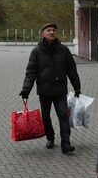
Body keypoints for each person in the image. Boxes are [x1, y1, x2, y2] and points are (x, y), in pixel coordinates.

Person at [19, 23, 81, 152]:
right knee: (46, 117)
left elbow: (71, 70)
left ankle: (66, 143)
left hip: (60, 90)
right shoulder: (37, 51)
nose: (51, 32)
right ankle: (50, 138)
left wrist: (77, 87)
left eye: (53, 30)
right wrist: (26, 89)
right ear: (43, 33)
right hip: (45, 90)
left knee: (63, 115)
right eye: (48, 30)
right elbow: (31, 72)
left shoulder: (63, 50)